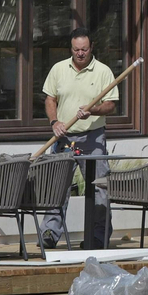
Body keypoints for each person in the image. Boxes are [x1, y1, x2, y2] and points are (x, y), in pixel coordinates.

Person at [39, 29, 120, 249]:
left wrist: (93, 110)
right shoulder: (59, 69)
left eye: (84, 49)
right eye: (76, 50)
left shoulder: (103, 71)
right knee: (57, 185)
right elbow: (50, 99)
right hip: (64, 137)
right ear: (71, 49)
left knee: (100, 186)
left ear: (91, 47)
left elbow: (111, 104)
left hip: (93, 137)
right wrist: (54, 122)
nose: (80, 54)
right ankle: (49, 232)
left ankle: (98, 236)